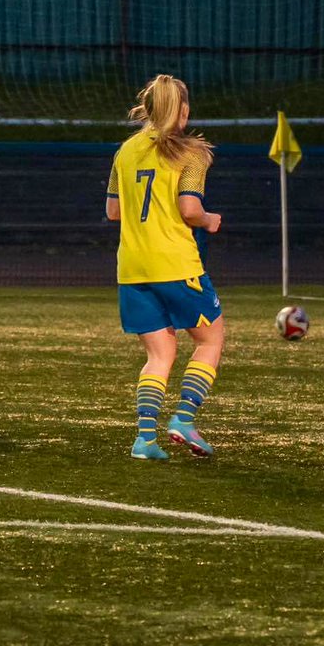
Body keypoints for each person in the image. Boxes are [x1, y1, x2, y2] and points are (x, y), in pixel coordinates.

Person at [106, 74, 223, 460]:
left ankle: (145, 440)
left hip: (133, 268)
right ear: (183, 110)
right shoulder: (191, 153)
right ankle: (184, 419)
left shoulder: (125, 151)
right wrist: (208, 219)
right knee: (209, 340)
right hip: (175, 263)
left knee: (159, 355)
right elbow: (189, 210)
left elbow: (114, 211)